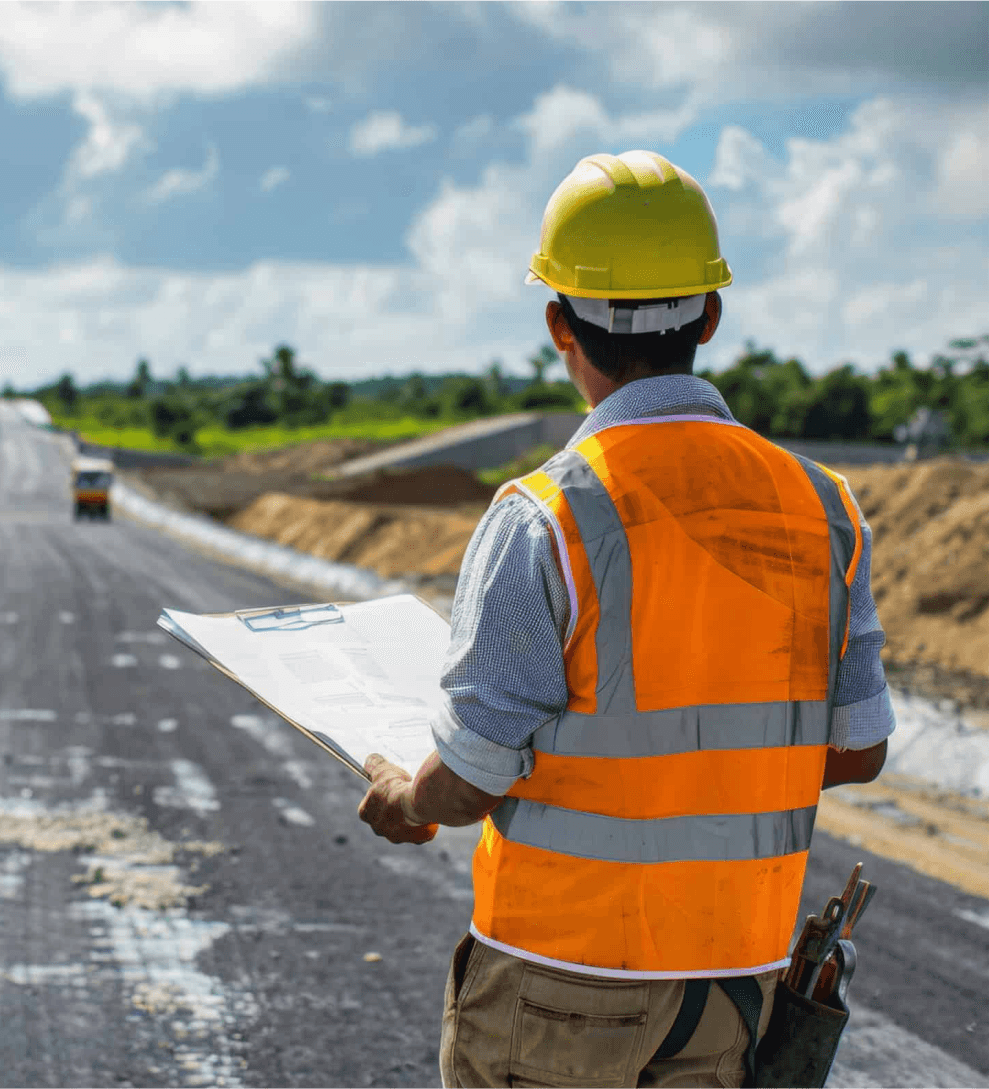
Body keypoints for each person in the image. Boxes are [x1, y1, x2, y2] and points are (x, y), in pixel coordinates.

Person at [357, 150, 894, 1089]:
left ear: (558, 323)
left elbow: (473, 776)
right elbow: (858, 750)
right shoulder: (824, 507)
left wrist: (406, 798)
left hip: (557, 985)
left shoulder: (547, 515)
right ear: (711, 316)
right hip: (731, 991)